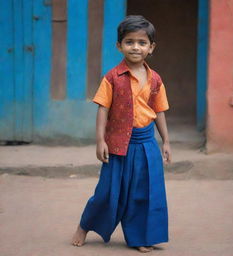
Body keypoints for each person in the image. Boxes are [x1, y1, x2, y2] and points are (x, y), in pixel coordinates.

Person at [72, 15, 171, 253]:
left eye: (142, 42)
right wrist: (100, 141)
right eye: (129, 42)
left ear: (151, 48)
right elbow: (103, 109)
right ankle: (85, 225)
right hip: (118, 144)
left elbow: (159, 111)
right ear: (119, 46)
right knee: (108, 190)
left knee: (145, 193)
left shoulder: (155, 79)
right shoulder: (112, 78)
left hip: (146, 143)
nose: (135, 47)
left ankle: (140, 237)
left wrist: (166, 141)